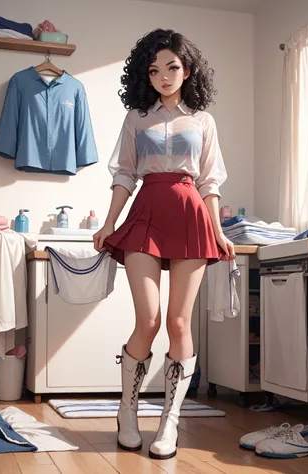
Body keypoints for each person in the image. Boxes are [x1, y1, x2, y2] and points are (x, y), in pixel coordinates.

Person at [93, 28, 235, 460]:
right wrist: (108, 222)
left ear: (187, 69)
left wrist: (219, 229)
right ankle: (128, 411)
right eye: (154, 70)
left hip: (191, 215)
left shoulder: (203, 120)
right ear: (146, 75)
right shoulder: (138, 116)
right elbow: (124, 175)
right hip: (146, 214)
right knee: (149, 320)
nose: (163, 76)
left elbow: (210, 181)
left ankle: (169, 422)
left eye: (172, 67)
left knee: (178, 323)